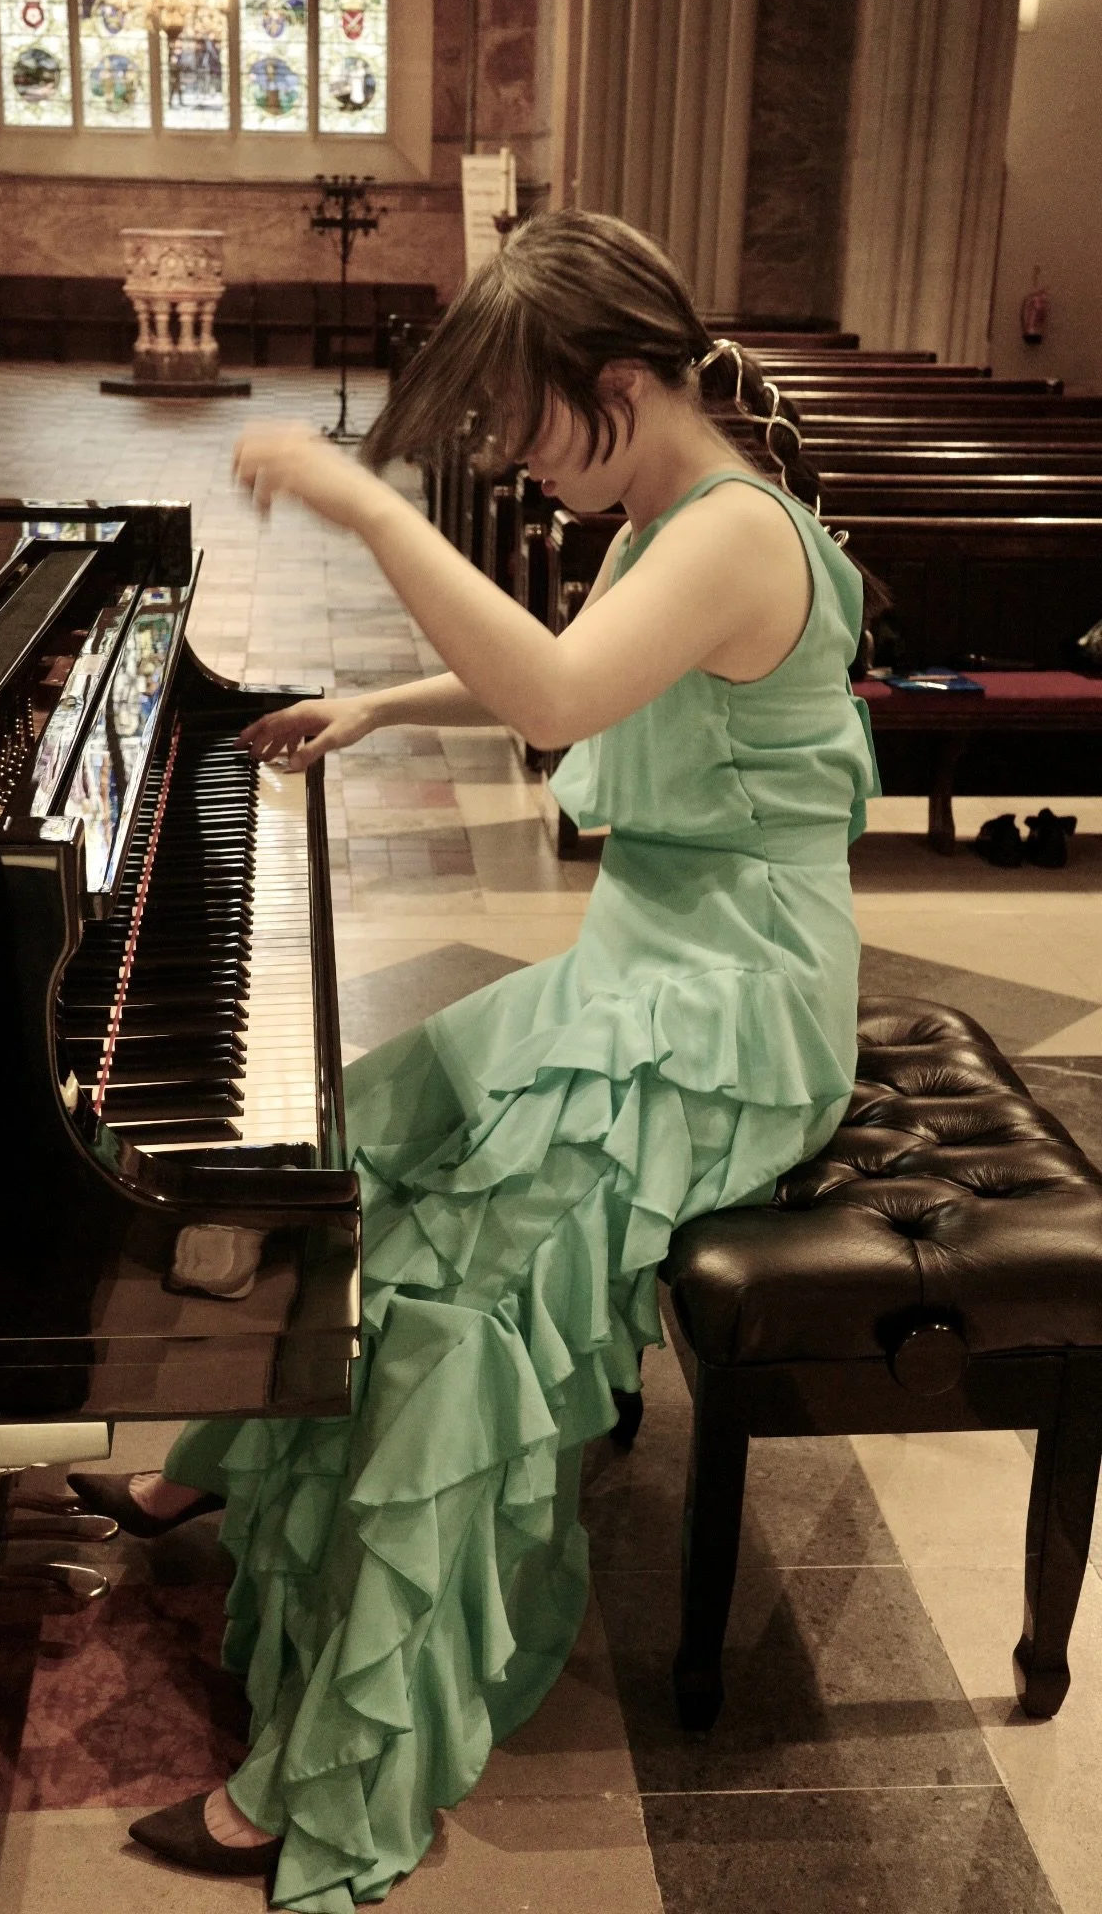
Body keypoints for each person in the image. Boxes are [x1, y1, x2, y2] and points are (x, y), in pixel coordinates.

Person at [69, 208, 880, 1910]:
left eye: (520, 419)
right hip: (652, 974)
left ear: (626, 382)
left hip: (729, 1014)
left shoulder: (734, 532)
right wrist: (381, 709)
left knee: (453, 1309)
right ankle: (206, 1472)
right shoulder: (675, 511)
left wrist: (368, 503)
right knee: (364, 1147)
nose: (512, 455)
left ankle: (344, 1783)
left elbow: (572, 699)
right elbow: (575, 682)